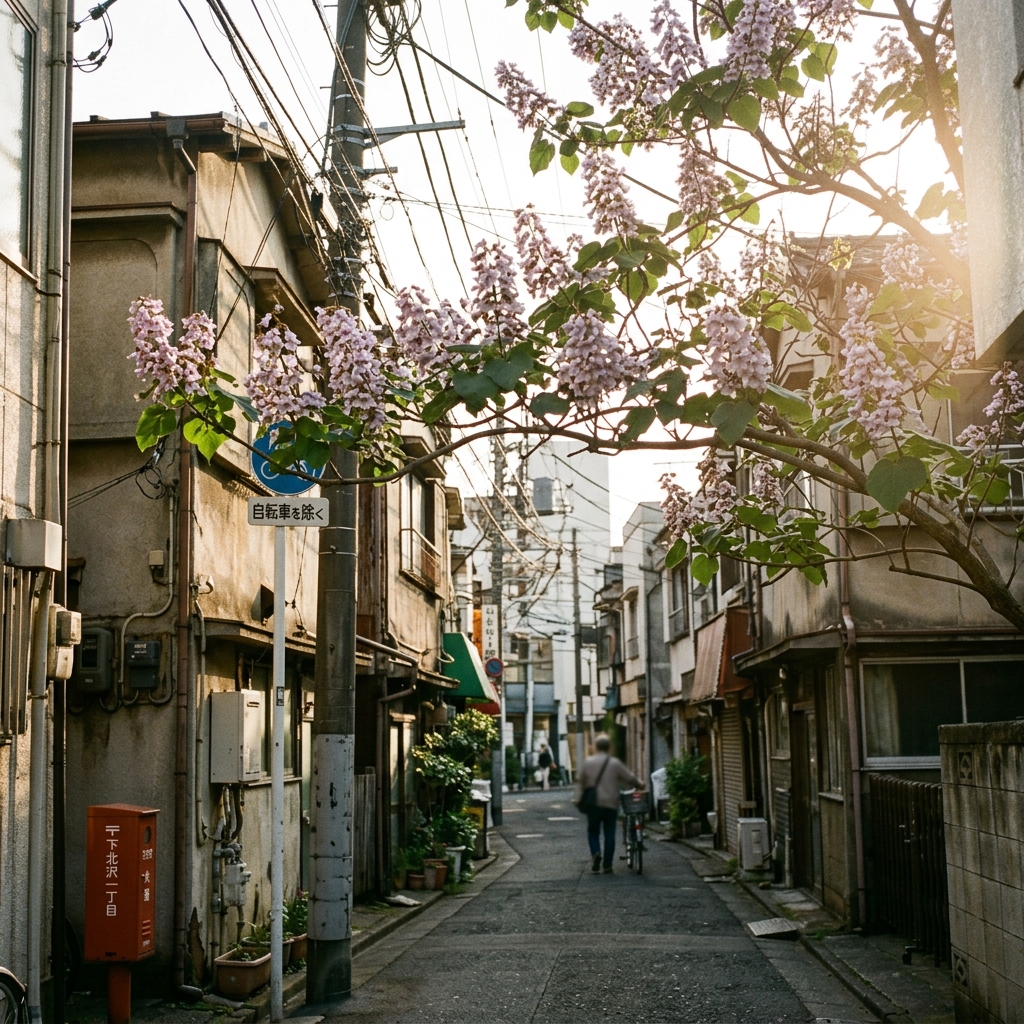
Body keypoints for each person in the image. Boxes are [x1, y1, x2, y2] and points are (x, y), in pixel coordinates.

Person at [577, 734, 643, 874]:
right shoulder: (614, 763)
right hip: (611, 804)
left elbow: (581, 781)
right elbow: (629, 778)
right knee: (610, 833)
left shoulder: (588, 762)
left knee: (593, 831)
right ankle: (607, 865)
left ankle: (596, 853)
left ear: (596, 747)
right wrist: (640, 784)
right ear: (609, 747)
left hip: (593, 803)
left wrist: (580, 796)